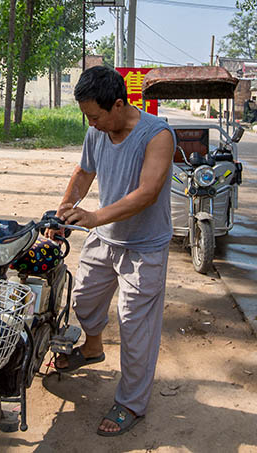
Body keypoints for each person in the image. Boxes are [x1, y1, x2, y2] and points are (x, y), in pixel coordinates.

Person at [49, 66, 175, 436]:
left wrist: (94, 216)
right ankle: (92, 348)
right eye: (87, 116)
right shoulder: (96, 132)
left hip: (144, 247)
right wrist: (65, 208)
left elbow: (147, 192)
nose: (92, 123)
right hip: (105, 239)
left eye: (96, 116)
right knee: (84, 300)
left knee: (136, 328)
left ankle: (131, 403)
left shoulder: (158, 135)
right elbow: (84, 172)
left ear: (118, 105)